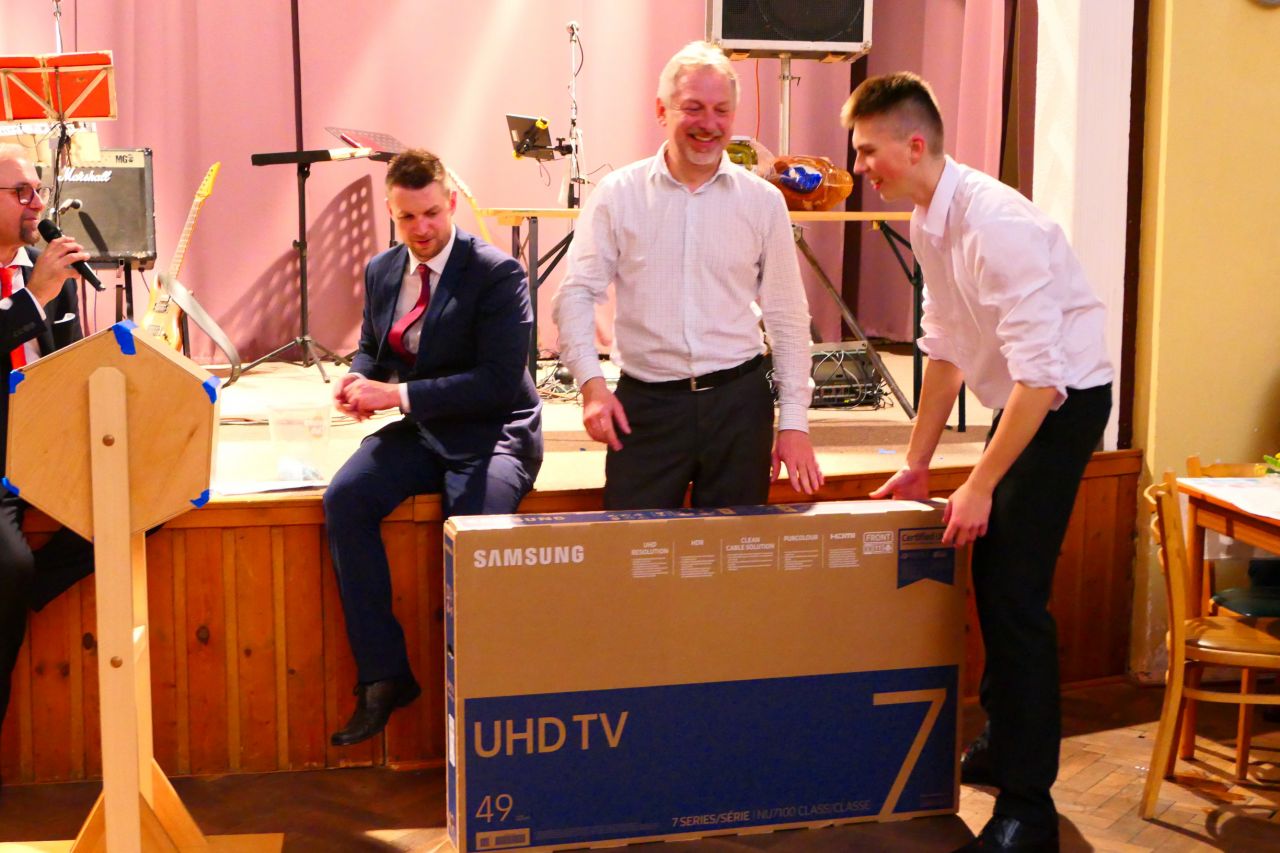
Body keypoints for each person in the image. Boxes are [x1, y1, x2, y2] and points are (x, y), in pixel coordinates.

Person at [845, 74, 1114, 852]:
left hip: (1065, 400)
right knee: (995, 578)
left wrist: (981, 483)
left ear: (913, 145)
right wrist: (918, 463)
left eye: (867, 151)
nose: (860, 167)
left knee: (1015, 596)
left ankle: (1028, 806)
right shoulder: (929, 217)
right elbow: (946, 347)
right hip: (1031, 393)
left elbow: (1045, 380)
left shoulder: (996, 225)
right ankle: (1001, 743)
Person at [324, 149, 542, 747]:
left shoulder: (498, 273)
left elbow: (497, 382)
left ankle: (474, 701)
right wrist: (355, 379)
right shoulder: (382, 269)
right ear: (390, 213)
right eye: (406, 217)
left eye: (431, 214)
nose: (421, 228)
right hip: (424, 427)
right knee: (345, 499)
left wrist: (395, 395)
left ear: (451, 203)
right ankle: (384, 676)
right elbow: (372, 346)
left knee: (469, 535)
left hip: (493, 430)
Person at [552, 40, 823, 510]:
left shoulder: (763, 202)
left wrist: (795, 422)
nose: (709, 124)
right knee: (636, 546)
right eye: (693, 108)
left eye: (721, 111)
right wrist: (592, 386)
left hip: (739, 407)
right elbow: (575, 295)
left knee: (736, 549)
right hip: (646, 409)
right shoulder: (618, 195)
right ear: (662, 110)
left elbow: (786, 315)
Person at [0, 144, 95, 788]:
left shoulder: (46, 272)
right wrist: (33, 298)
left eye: (38, 190)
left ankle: (21, 595)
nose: (37, 203)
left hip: (48, 442)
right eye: (21, 193)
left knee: (151, 494)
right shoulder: (38, 283)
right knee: (9, 567)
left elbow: (68, 362)